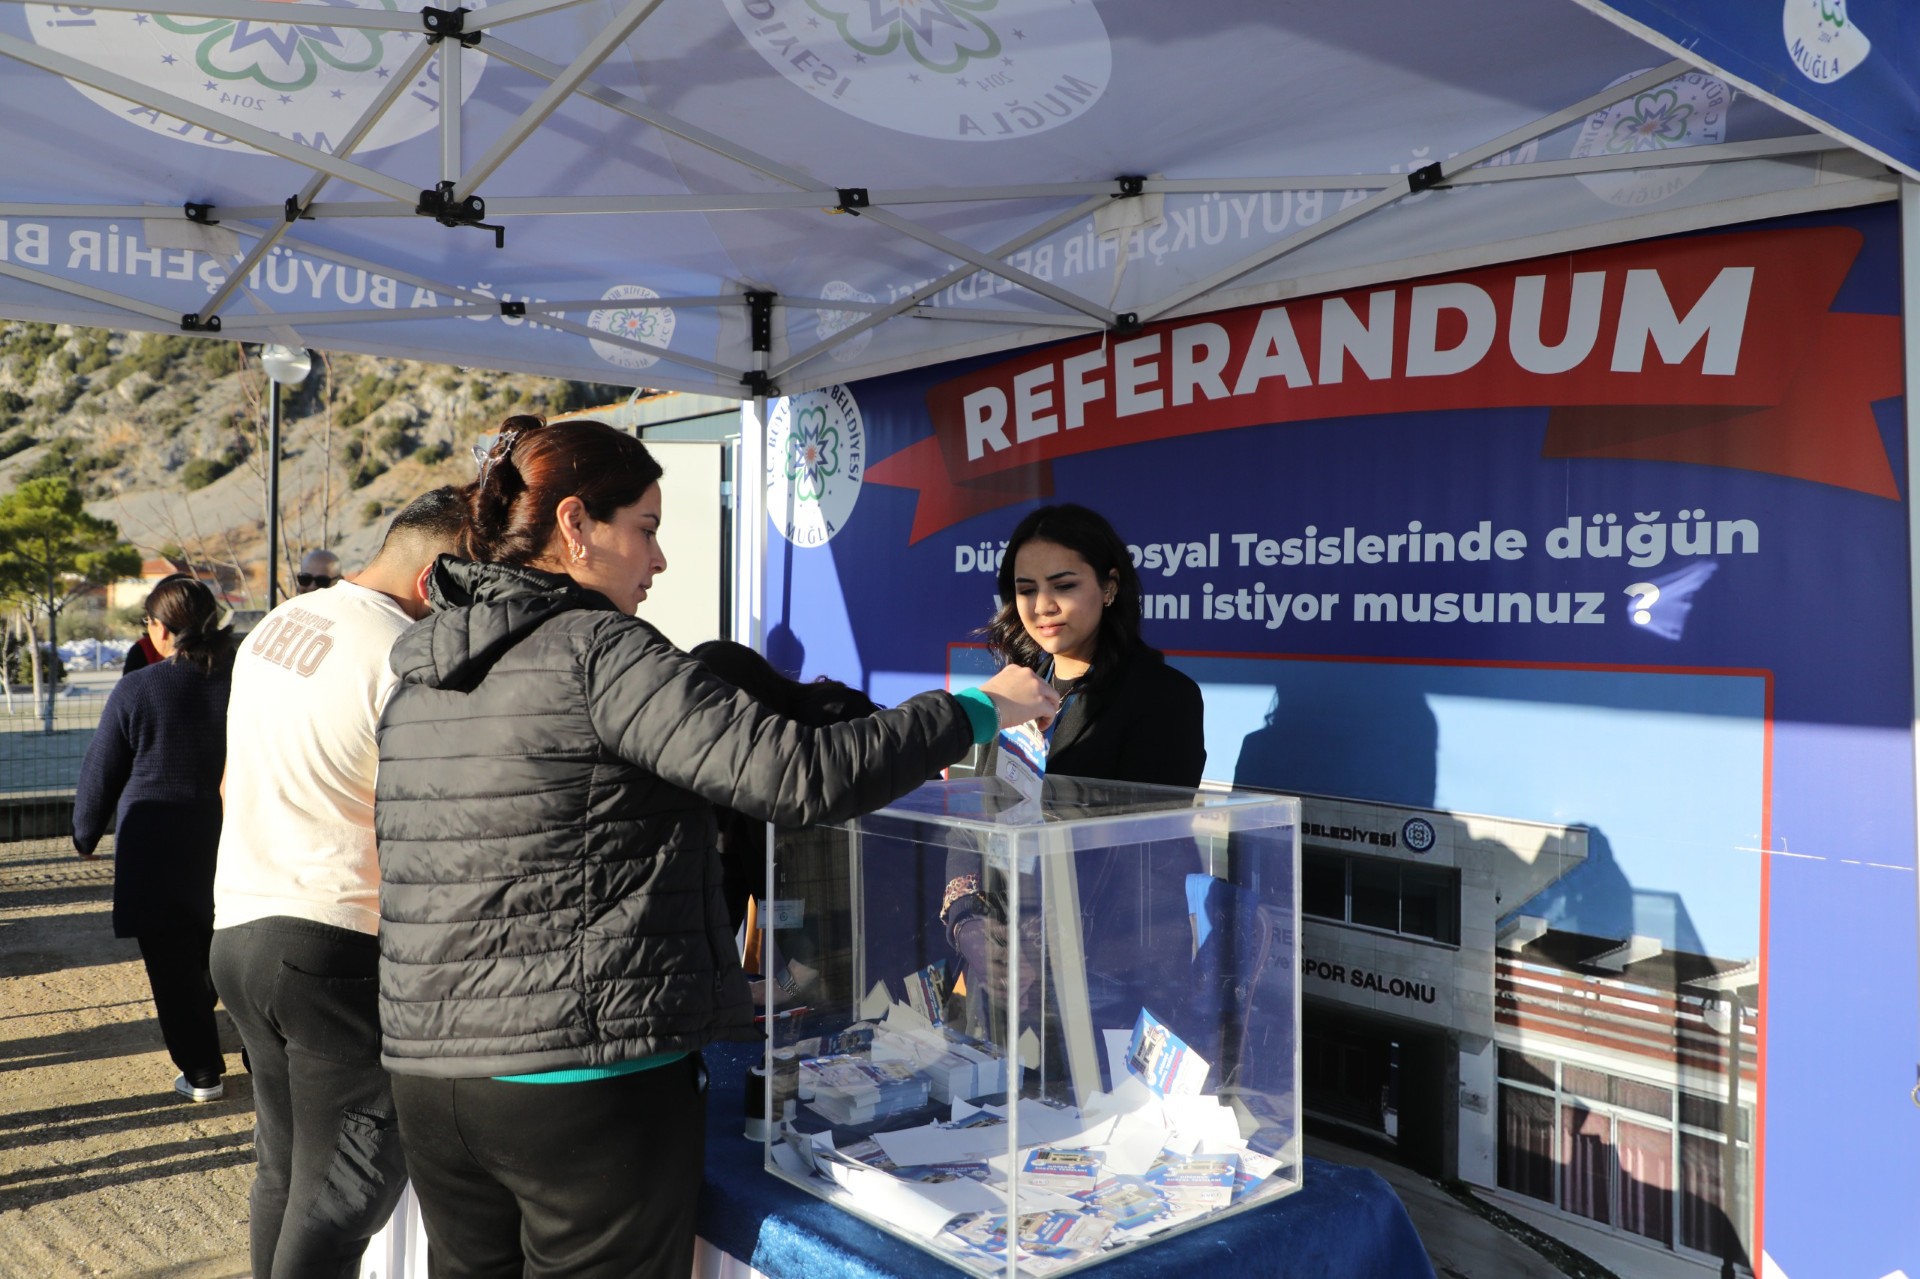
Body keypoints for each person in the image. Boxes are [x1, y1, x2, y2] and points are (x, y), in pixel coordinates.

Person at [373, 415, 1056, 1279]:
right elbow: (798, 772)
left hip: (433, 1081)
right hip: (582, 1083)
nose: (659, 560)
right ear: (576, 524)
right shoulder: (600, 652)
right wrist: (977, 707)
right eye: (647, 530)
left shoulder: (421, 675)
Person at [208, 488, 466, 1279]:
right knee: (342, 1193)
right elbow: (426, 829)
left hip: (241, 928)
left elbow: (226, 786)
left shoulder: (276, 627)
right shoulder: (405, 656)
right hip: (337, 943)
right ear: (437, 580)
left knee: (284, 1176)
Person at [941, 503, 1207, 1063]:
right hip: (1006, 970)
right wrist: (968, 922)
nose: (1043, 607)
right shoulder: (1009, 693)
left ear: (1110, 587)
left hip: (1112, 977)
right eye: (1025, 588)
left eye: (1063, 585)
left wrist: (1041, 948)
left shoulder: (1163, 698)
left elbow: (1136, 851)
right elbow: (970, 823)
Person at [72, 576, 235, 1103]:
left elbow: (102, 770)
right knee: (224, 953)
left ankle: (203, 1072)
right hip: (231, 841)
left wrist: (85, 832)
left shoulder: (138, 687)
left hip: (155, 848)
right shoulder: (245, 681)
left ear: (160, 629)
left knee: (170, 967)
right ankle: (260, 1055)